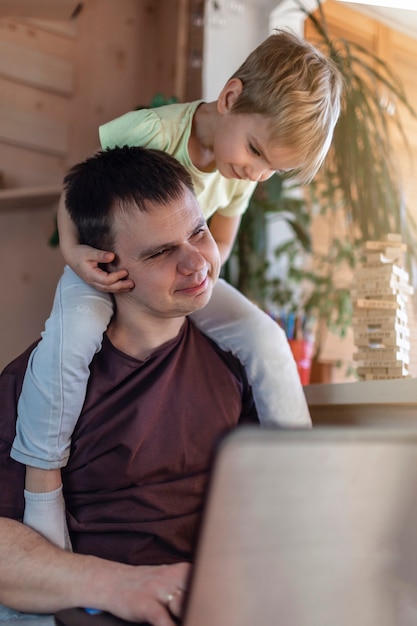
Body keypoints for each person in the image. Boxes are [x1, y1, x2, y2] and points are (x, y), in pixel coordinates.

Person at [12, 30, 343, 549]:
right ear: (230, 98)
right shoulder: (152, 130)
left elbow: (224, 234)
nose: (255, 172)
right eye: (255, 150)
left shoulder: (243, 172)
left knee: (266, 339)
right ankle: (41, 485)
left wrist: (202, 279)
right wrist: (75, 255)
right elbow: (82, 190)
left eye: (270, 169)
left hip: (190, 275)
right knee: (71, 338)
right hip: (101, 263)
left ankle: (297, 477)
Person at [0, 146, 259, 624]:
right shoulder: (35, 386)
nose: (196, 263)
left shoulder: (237, 367)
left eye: (198, 231)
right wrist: (121, 586)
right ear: (103, 265)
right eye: (161, 252)